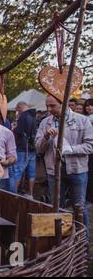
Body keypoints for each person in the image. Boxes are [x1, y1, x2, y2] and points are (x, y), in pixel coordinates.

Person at [35, 95, 93, 232]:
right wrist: (45, 136)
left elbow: (90, 146)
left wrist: (70, 150)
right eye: (47, 106)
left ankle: (82, 242)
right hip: (53, 170)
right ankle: (59, 240)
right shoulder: (45, 123)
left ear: (63, 103)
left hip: (77, 169)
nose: (49, 109)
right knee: (56, 206)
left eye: (52, 106)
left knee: (79, 207)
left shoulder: (82, 121)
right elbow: (38, 148)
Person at [9, 101, 37, 195]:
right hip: (32, 148)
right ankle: (31, 194)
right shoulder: (33, 116)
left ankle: (13, 194)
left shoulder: (23, 116)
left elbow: (20, 131)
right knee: (31, 172)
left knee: (17, 172)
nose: (17, 111)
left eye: (17, 109)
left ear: (20, 107)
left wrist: (14, 128)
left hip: (22, 148)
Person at [83, 99, 93, 205]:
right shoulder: (84, 119)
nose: (89, 108)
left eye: (91, 106)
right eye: (87, 106)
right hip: (87, 150)